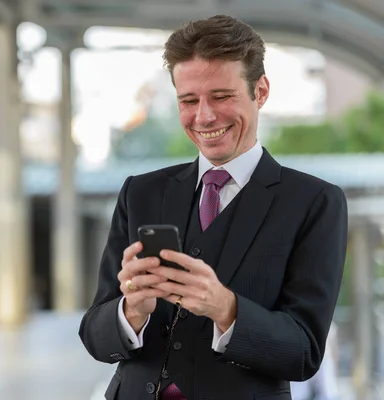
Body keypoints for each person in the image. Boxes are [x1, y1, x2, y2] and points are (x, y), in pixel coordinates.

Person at [78, 14, 348, 400]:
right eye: (189, 100)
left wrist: (226, 308)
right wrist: (131, 311)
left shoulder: (314, 202)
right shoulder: (140, 193)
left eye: (221, 96)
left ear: (261, 91)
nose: (204, 116)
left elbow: (304, 353)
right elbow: (94, 336)